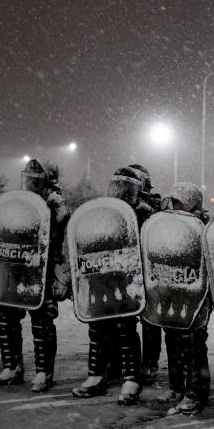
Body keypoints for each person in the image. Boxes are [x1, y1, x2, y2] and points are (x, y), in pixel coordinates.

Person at [72, 166, 154, 403]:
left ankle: (131, 379)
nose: (121, 190)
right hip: (102, 278)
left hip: (127, 280)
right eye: (117, 185)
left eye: (126, 186)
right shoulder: (103, 210)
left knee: (125, 328)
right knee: (97, 328)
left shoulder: (142, 212)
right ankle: (97, 375)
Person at [0, 158, 71, 393]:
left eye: (36, 181)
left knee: (42, 322)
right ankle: (11, 367)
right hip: (18, 268)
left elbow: (54, 229)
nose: (30, 185)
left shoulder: (56, 204)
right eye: (28, 180)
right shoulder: (20, 202)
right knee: (6, 316)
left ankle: (44, 372)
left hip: (42, 270)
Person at [157, 182, 212, 415]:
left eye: (181, 202)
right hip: (173, 292)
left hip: (196, 295)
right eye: (175, 201)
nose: (176, 206)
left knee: (194, 345)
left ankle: (197, 392)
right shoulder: (166, 226)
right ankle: (177, 387)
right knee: (173, 341)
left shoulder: (203, 227)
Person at [128, 163, 163, 386]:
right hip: (126, 269)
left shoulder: (152, 207)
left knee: (150, 322)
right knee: (124, 321)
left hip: (149, 270)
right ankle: (126, 363)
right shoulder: (120, 206)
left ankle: (149, 364)